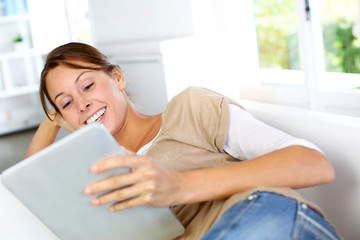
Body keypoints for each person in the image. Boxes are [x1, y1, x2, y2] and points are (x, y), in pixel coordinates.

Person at [27, 42, 341, 240]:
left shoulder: (189, 108)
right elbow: (28, 200)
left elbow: (313, 163)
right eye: (66, 103)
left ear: (118, 78)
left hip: (264, 218)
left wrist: (179, 185)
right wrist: (53, 118)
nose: (81, 104)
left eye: (87, 86)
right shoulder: (98, 178)